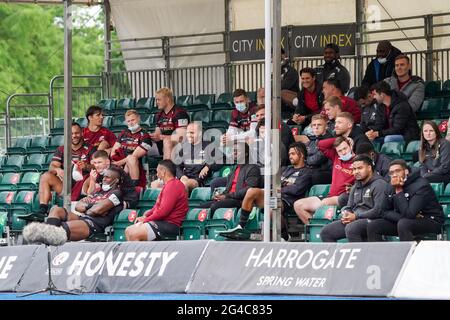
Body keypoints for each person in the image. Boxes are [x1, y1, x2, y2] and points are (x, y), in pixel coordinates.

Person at [221, 142, 312, 240]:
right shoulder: (285, 169)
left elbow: (296, 190)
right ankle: (240, 227)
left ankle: (284, 236)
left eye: (293, 154)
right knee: (252, 191)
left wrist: (280, 188)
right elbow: (273, 184)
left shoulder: (306, 172)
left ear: (302, 155)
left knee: (272, 206)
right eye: (289, 154)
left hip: (290, 201)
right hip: (275, 196)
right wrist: (282, 186)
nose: (290, 156)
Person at [24, 166, 125, 243]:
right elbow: (79, 206)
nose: (103, 179)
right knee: (56, 210)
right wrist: (92, 208)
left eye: (107, 177)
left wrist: (91, 207)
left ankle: (46, 236)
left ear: (115, 180)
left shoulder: (117, 193)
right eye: (103, 177)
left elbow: (96, 210)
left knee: (62, 227)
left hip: (95, 224)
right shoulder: (99, 192)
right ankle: (49, 237)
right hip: (83, 217)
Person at [367, 160, 444, 241]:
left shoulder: (421, 185)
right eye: (391, 173)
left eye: (398, 171)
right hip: (404, 219)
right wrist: (401, 217)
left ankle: (407, 253)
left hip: (430, 220)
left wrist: (399, 191)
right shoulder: (390, 185)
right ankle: (378, 253)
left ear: (406, 171)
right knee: (373, 226)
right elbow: (383, 211)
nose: (394, 175)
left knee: (404, 224)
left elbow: (409, 214)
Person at [320, 155, 389, 242]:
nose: (356, 172)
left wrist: (356, 216)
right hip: (355, 219)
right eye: (354, 169)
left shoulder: (380, 184)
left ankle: (360, 255)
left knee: (352, 228)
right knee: (326, 232)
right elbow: (349, 206)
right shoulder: (356, 186)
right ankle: (337, 255)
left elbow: (378, 211)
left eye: (360, 168)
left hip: (373, 221)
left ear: (369, 168)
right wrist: (345, 213)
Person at [34, 123, 95, 219]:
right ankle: (43, 209)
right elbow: (52, 166)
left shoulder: (90, 148)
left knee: (91, 178)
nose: (74, 136)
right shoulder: (62, 149)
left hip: (84, 185)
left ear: (82, 133)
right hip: (66, 185)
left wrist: (86, 166)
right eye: (71, 133)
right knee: (45, 176)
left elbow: (97, 167)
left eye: (76, 133)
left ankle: (88, 209)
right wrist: (57, 170)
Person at [293, 136, 355, 224]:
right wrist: (340, 139)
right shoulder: (336, 157)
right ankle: (316, 230)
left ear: (351, 146)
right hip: (329, 197)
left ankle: (323, 231)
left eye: (345, 148)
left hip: (344, 198)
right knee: (298, 205)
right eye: (340, 151)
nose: (343, 153)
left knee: (325, 204)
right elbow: (320, 145)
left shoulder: (358, 162)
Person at [125, 160, 189, 241]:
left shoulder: (174, 185)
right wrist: (145, 216)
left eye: (157, 171)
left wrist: (146, 220)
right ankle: (139, 252)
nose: (156, 174)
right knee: (128, 230)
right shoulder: (168, 185)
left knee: (133, 233)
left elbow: (163, 211)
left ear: (163, 172)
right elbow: (156, 207)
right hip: (161, 222)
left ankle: (139, 252)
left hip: (171, 225)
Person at [204, 142, 261, 218]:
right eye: (233, 151)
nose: (234, 153)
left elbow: (248, 190)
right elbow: (228, 189)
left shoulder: (253, 168)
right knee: (201, 207)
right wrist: (221, 195)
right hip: (229, 198)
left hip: (240, 201)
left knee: (214, 206)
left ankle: (212, 228)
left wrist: (227, 196)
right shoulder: (235, 168)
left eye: (238, 151)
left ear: (246, 154)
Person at [110, 109, 152, 188]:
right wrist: (114, 161)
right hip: (121, 164)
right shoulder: (123, 133)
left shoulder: (145, 135)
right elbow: (114, 151)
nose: (131, 123)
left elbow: (134, 156)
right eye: (128, 121)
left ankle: (134, 187)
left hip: (136, 166)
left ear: (138, 119)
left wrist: (118, 163)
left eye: (133, 120)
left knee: (130, 158)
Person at [175, 122, 220, 194]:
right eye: (187, 133)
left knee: (184, 185)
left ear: (199, 133)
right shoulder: (185, 147)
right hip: (185, 178)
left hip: (199, 180)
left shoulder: (208, 146)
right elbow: (177, 165)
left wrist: (208, 167)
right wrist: (181, 176)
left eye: (192, 133)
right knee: (157, 184)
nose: (189, 135)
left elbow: (222, 159)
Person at [150, 87, 190, 160]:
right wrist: (153, 136)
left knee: (167, 141)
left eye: (159, 100)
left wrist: (162, 137)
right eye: (156, 100)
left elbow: (182, 137)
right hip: (162, 146)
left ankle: (167, 169)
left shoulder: (180, 113)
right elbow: (158, 134)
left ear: (167, 99)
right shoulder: (158, 115)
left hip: (180, 146)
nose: (157, 102)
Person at [301, 114, 332, 184]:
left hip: (325, 173)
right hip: (315, 171)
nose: (316, 127)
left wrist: (305, 158)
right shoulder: (313, 141)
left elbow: (316, 160)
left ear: (326, 126)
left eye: (319, 125)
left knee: (306, 175)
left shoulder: (329, 139)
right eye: (314, 125)